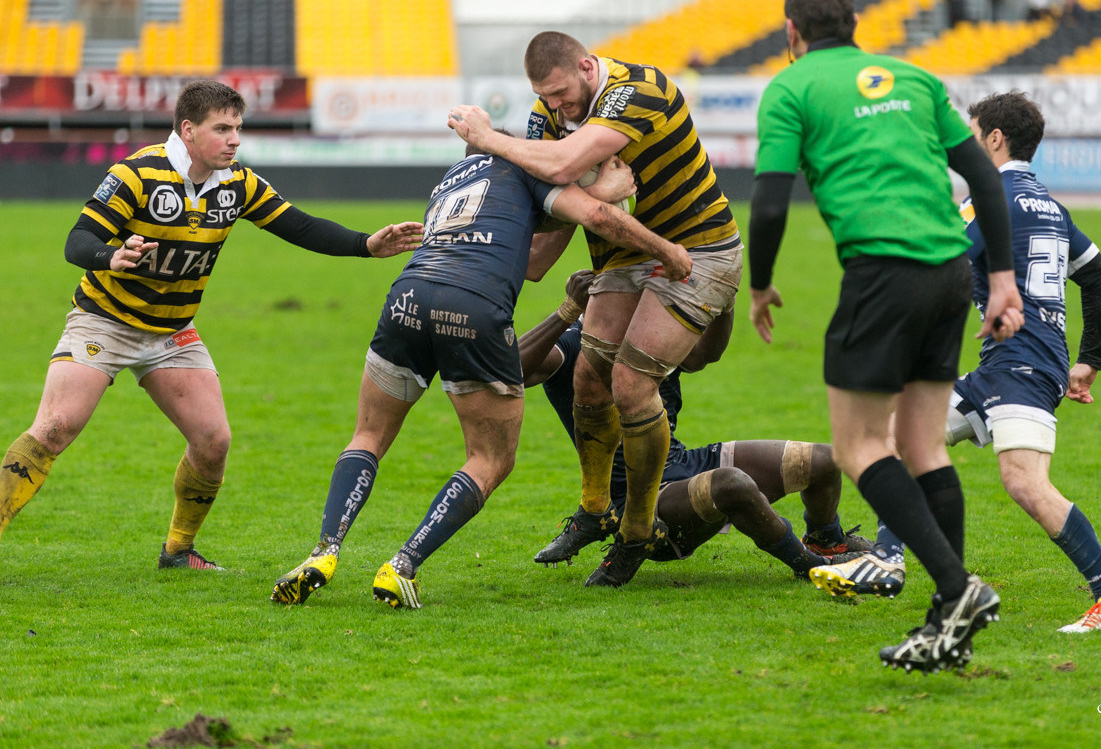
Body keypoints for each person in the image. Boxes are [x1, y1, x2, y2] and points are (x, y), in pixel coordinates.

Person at [0, 80, 423, 570]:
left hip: (173, 332)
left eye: (238, 128)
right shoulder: (137, 173)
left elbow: (298, 225)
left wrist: (366, 244)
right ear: (188, 130)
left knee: (213, 442)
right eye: (222, 128)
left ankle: (179, 552)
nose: (235, 139)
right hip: (105, 321)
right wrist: (111, 255)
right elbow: (78, 240)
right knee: (55, 426)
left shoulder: (238, 183)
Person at [270, 146, 692, 610]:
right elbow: (593, 216)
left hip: (407, 296)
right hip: (473, 307)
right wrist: (658, 245)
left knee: (368, 434)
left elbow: (528, 252)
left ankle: (324, 552)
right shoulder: (528, 169)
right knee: (491, 458)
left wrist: (581, 196)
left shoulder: (453, 177)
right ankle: (403, 565)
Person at [747, 0, 1025, 674]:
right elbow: (985, 180)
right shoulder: (916, 77)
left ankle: (960, 589)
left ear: (791, 32)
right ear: (856, 22)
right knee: (923, 447)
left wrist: (759, 285)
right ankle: (948, 622)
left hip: (881, 277)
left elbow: (772, 200)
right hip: (949, 275)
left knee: (860, 446)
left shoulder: (791, 88)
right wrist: (1000, 280)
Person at [813, 92, 1101, 634]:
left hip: (1022, 362)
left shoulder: (990, 197)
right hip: (1019, 362)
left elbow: (945, 260)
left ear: (993, 139)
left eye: (969, 134)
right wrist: (1089, 360)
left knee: (1026, 483)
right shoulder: (1048, 204)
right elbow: (1099, 276)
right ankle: (888, 558)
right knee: (900, 438)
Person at [447, 31, 742, 589]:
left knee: (630, 385)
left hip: (695, 251)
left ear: (587, 67)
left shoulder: (640, 89)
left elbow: (560, 167)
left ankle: (635, 534)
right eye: (545, 97)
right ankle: (594, 508)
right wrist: (596, 198)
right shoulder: (546, 111)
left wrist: (488, 140)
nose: (555, 106)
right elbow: (547, 237)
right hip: (625, 252)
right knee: (587, 376)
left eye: (561, 92)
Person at [520, 270, 873, 578]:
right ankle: (809, 565)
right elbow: (511, 369)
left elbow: (704, 354)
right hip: (641, 502)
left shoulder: (651, 331)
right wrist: (567, 310)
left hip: (682, 465)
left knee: (825, 462)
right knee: (732, 484)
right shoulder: (578, 339)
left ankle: (828, 542)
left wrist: (725, 294)